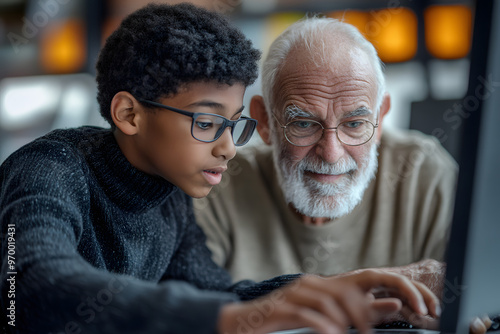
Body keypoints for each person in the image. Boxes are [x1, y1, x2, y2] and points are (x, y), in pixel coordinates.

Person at [0, 4, 441, 334]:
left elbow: (216, 297)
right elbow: (29, 285)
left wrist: (349, 287)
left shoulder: (169, 195)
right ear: (130, 114)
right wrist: (227, 319)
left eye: (233, 125)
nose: (229, 149)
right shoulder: (50, 167)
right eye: (208, 123)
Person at [193, 15, 480, 331]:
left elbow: (478, 292)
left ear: (381, 118)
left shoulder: (424, 173)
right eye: (303, 124)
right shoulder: (217, 184)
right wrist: (378, 289)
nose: (331, 153)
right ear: (264, 122)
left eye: (355, 124)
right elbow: (184, 309)